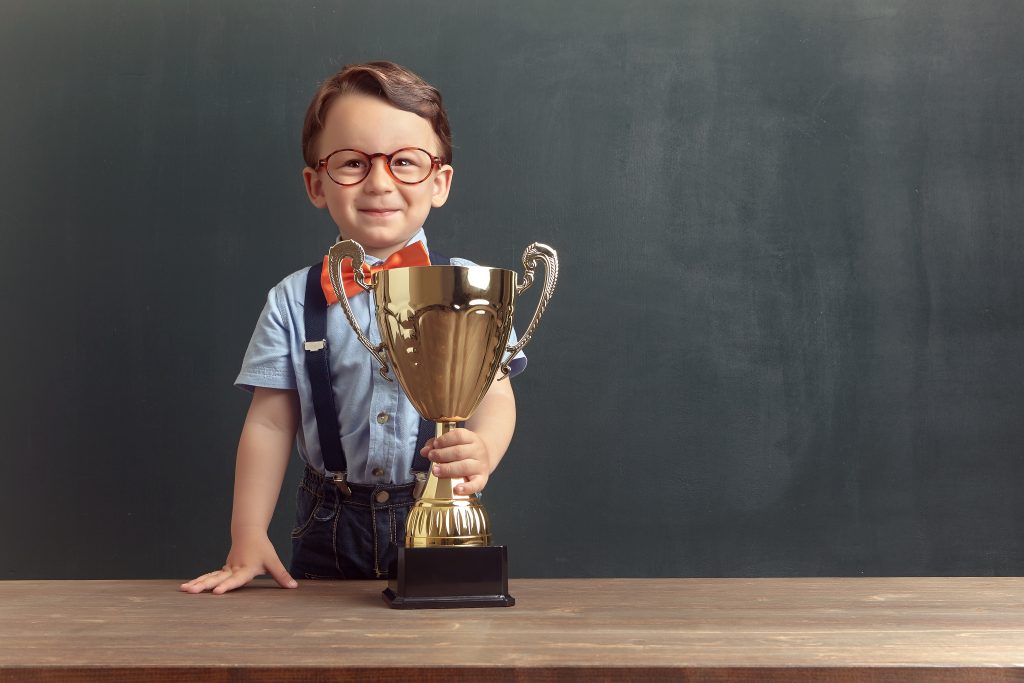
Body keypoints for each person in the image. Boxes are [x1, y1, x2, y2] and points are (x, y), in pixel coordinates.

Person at [180, 61, 524, 594]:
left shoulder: (468, 288)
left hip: (436, 516)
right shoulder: (293, 300)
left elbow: (494, 395)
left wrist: (483, 451)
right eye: (353, 163)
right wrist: (247, 534)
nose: (380, 182)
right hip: (328, 523)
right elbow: (270, 424)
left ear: (440, 182)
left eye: (405, 162)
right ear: (317, 185)